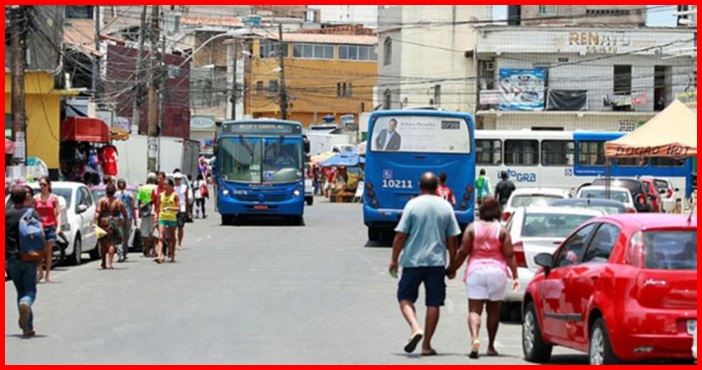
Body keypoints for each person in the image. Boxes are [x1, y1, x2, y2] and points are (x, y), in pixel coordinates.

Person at [389, 172, 461, 356]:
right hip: (436, 262)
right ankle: (427, 345)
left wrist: (394, 260)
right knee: (434, 303)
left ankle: (415, 327)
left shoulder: (412, 205)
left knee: (404, 297)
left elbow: (400, 236)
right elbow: (453, 239)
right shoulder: (446, 207)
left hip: (413, 261)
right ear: (437, 186)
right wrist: (453, 264)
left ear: (420, 186)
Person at [446, 196, 519, 359]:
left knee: (474, 310)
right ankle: (491, 346)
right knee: (493, 311)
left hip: (476, 272)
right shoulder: (502, 230)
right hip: (497, 272)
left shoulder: (472, 228)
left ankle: (474, 338)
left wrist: (452, 269)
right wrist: (515, 276)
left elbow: (463, 252)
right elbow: (509, 254)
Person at [6, 186, 43, 337]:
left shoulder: (5, 215)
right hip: (29, 256)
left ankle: (27, 327)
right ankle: (26, 304)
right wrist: (41, 258)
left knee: (20, 291)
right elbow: (40, 236)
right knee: (29, 291)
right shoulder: (32, 213)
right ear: (25, 197)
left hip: (11, 259)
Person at [33, 177, 61, 283]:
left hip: (50, 226)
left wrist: (58, 226)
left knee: (48, 252)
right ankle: (40, 271)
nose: (42, 187)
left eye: (44, 185)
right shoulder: (35, 199)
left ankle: (47, 274)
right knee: (39, 251)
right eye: (40, 185)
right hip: (39, 227)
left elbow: (58, 213)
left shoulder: (54, 198)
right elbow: (32, 212)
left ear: (49, 185)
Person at [94, 184, 128, 270]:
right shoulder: (119, 202)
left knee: (103, 243)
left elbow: (98, 212)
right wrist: (125, 222)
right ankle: (110, 263)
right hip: (114, 223)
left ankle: (103, 262)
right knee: (111, 243)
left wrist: (94, 222)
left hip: (103, 223)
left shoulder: (102, 201)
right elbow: (125, 213)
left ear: (106, 191)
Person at [156, 178, 180, 264]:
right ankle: (159, 255)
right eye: (164, 184)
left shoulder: (175, 196)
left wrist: (169, 208)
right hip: (162, 217)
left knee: (172, 237)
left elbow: (178, 208)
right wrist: (156, 216)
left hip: (171, 218)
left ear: (171, 186)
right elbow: (158, 207)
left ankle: (172, 255)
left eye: (166, 185)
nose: (164, 186)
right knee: (161, 237)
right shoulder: (160, 195)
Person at [115, 179, 137, 263]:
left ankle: (120, 253)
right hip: (128, 216)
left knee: (119, 235)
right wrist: (134, 218)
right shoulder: (130, 194)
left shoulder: (115, 194)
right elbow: (132, 207)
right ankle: (124, 253)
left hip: (119, 216)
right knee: (126, 235)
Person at [138, 173, 158, 257]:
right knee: (153, 231)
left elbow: (139, 200)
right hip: (153, 211)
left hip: (144, 211)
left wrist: (139, 211)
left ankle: (147, 251)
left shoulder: (142, 188)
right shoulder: (156, 188)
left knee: (145, 232)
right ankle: (154, 250)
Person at [173, 173, 190, 250]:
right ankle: (174, 242)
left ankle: (180, 243)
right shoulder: (172, 188)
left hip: (182, 208)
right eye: (176, 179)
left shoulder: (184, 187)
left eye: (178, 179)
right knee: (173, 227)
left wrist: (188, 211)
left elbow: (187, 199)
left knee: (180, 226)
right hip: (173, 208)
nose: (177, 180)